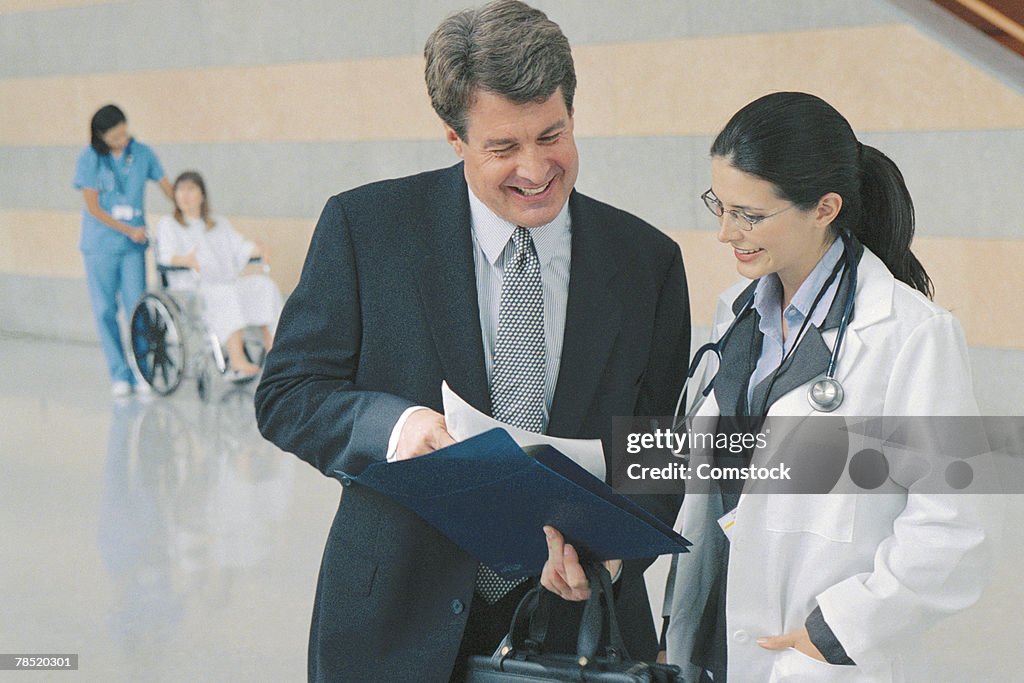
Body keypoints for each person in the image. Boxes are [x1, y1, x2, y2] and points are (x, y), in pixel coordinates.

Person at [254, 1, 690, 680]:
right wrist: (395, 426)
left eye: (553, 135)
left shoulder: (647, 261)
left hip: (581, 628)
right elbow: (286, 393)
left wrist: (612, 555)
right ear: (454, 139)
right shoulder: (365, 229)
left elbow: (660, 447)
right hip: (392, 617)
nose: (536, 168)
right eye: (503, 148)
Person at [662, 92, 999, 682]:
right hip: (713, 641)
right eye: (721, 204)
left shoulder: (909, 335)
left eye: (749, 215)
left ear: (824, 208)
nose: (724, 232)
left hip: (812, 655)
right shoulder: (735, 317)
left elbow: (957, 526)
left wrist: (841, 629)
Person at [74, 104, 173, 397]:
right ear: (101, 137)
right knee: (105, 309)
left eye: (124, 133)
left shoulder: (142, 153)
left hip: (132, 249)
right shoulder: (89, 158)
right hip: (100, 247)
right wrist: (128, 229)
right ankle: (119, 374)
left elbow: (168, 187)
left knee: (137, 309)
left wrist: (185, 210)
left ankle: (143, 370)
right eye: (115, 137)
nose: (122, 140)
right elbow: (93, 207)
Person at [155, 171, 281, 378]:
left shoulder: (218, 224)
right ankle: (237, 360)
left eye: (190, 189)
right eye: (180, 190)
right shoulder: (169, 224)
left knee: (263, 285)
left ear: (202, 195)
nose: (184, 195)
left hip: (225, 281)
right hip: (191, 286)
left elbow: (240, 246)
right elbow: (165, 257)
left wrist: (258, 249)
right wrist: (185, 260)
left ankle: (273, 347)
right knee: (225, 293)